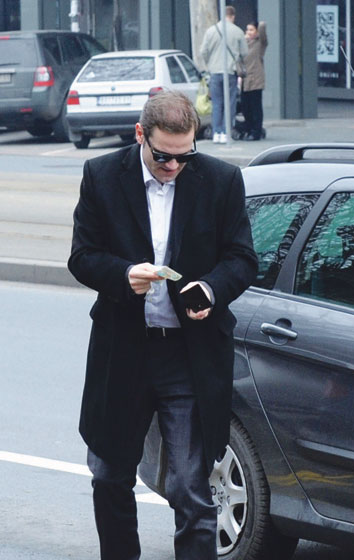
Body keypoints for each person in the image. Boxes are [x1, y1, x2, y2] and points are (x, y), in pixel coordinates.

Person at [68, 90, 257, 559]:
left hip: (188, 356)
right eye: (163, 156)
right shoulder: (101, 175)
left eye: (184, 156)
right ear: (140, 135)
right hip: (124, 350)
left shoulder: (221, 180)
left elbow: (242, 259)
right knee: (109, 475)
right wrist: (122, 276)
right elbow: (82, 256)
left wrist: (210, 290)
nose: (174, 166)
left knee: (191, 488)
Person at [200, 5, 248, 144]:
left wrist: (210, 63)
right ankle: (226, 132)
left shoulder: (211, 31)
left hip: (215, 72)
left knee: (217, 103)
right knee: (230, 103)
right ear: (232, 16)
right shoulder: (237, 31)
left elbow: (203, 51)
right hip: (230, 72)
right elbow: (245, 53)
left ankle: (217, 133)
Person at [237, 21, 268, 141]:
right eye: (247, 30)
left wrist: (260, 25)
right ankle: (249, 129)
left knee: (256, 107)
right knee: (246, 108)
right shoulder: (243, 44)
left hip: (256, 80)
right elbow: (238, 60)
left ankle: (256, 132)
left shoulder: (260, 43)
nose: (248, 32)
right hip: (245, 80)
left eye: (251, 30)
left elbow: (263, 31)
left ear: (256, 32)